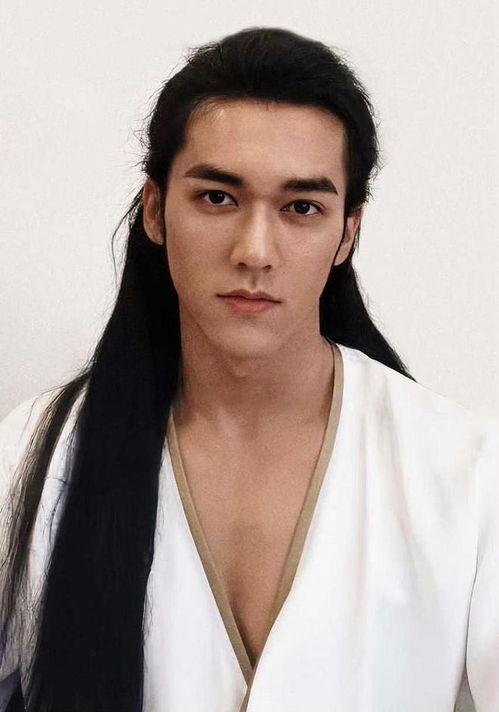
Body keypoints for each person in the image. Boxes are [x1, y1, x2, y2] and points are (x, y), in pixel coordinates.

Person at [0, 25, 497, 712]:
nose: (254, 250)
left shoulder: (462, 469)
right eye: (217, 197)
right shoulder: (35, 452)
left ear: (347, 233)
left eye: (301, 208)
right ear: (155, 211)